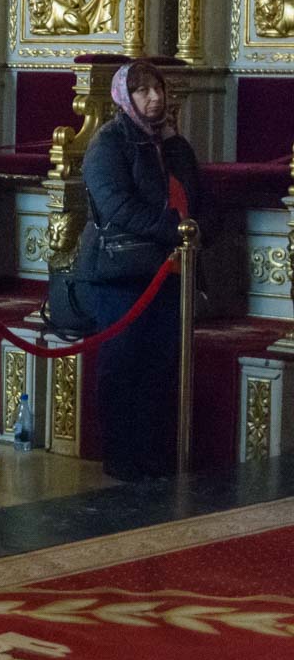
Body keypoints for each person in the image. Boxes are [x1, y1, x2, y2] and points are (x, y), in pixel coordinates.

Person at [77, 60, 200, 481]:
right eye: (143, 91)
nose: (153, 98)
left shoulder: (172, 143)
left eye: (157, 90)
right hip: (122, 271)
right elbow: (118, 207)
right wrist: (172, 229)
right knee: (124, 362)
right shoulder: (108, 143)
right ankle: (122, 453)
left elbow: (192, 193)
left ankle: (156, 451)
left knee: (161, 363)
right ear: (125, 98)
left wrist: (197, 226)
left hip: (167, 270)